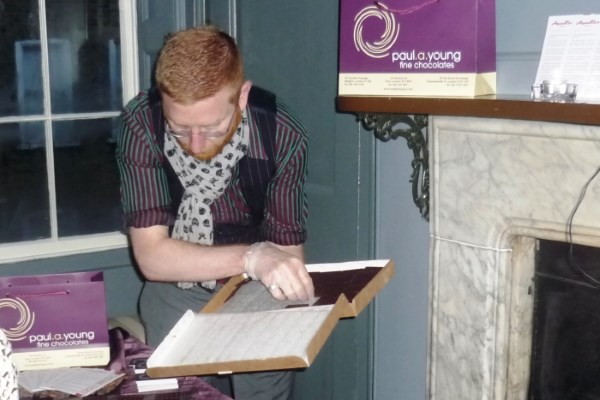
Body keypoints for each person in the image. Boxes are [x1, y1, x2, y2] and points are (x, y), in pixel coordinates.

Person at [115, 25, 314, 400]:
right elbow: (153, 257)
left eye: (211, 127)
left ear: (242, 97)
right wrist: (252, 256)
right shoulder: (141, 122)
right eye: (179, 128)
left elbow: (286, 256)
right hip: (175, 286)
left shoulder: (281, 131)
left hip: (259, 292)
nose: (195, 144)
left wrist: (274, 272)